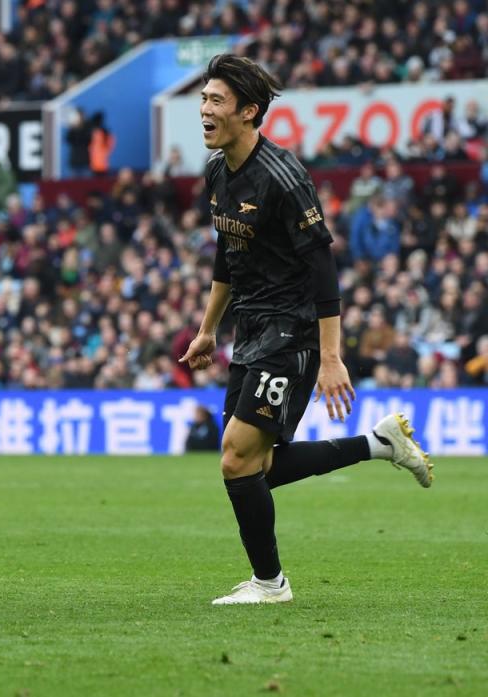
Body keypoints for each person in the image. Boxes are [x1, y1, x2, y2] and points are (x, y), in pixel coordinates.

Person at [179, 54, 433, 606]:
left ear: (248, 113)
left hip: (291, 331)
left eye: (215, 100)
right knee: (256, 469)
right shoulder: (218, 171)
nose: (203, 109)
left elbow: (322, 266)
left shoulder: (284, 176)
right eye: (203, 98)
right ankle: (379, 444)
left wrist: (331, 356)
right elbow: (229, 251)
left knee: (234, 459)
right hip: (250, 328)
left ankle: (270, 586)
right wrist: (208, 330)